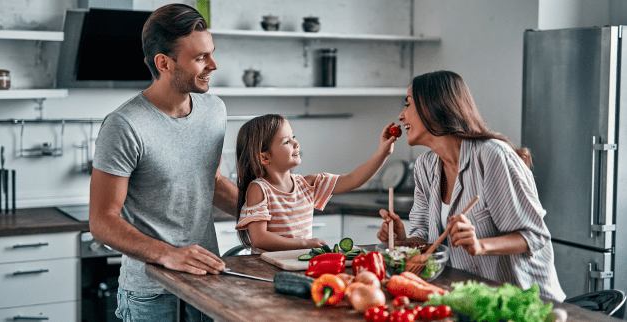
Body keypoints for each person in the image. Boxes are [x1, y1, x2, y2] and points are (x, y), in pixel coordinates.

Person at [88, 4, 238, 322]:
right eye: (200, 58)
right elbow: (102, 220)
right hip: (151, 294)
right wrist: (169, 255)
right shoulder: (124, 125)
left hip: (206, 281)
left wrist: (271, 211)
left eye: (211, 53)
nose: (213, 65)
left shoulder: (215, 110)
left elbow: (210, 182)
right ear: (163, 63)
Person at [376, 70, 566, 301]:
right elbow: (426, 241)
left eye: (408, 105)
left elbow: (535, 236)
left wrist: (480, 245)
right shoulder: (425, 167)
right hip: (472, 298)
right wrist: (404, 241)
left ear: (433, 107)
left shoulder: (491, 157)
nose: (401, 115)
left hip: (523, 302)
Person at [235, 114, 398, 252]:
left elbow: (353, 179)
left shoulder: (308, 185)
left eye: (293, 137)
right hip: (266, 266)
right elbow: (259, 239)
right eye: (286, 142)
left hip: (299, 263)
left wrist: (383, 152)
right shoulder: (259, 189)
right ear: (264, 157)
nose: (296, 143)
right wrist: (305, 244)